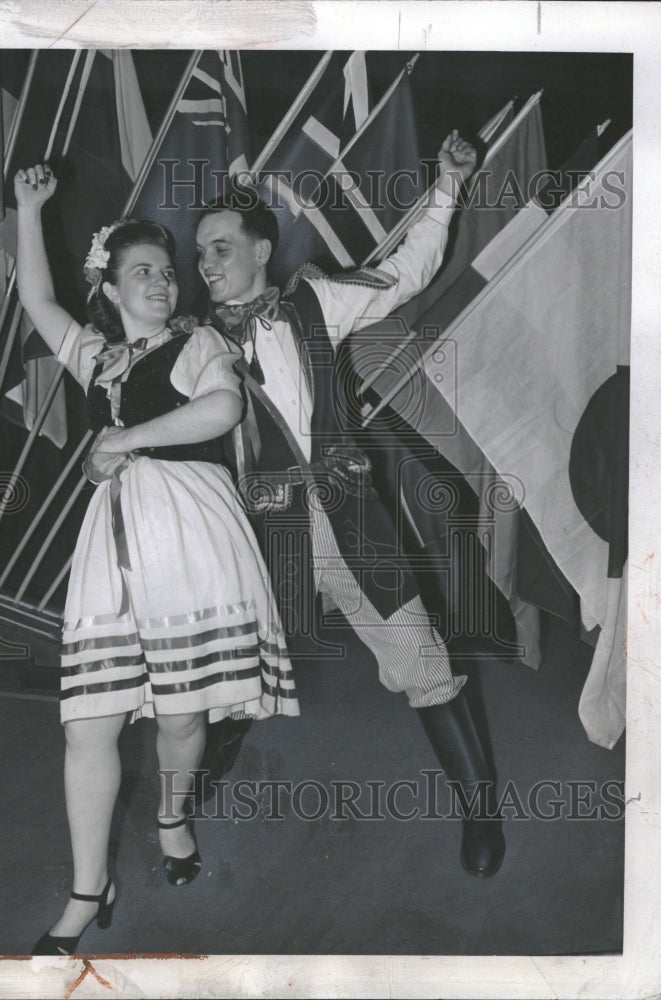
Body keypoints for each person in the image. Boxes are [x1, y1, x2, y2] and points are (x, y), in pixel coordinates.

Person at [195, 131, 505, 877]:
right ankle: (220, 742)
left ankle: (479, 812)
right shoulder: (193, 342)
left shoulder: (315, 301)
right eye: (200, 253)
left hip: (347, 517)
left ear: (261, 247)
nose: (207, 264)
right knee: (231, 659)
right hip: (257, 534)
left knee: (418, 655)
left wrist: (448, 185)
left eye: (220, 247)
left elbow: (407, 271)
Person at [14, 163, 298, 955]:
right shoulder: (100, 360)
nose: (162, 284)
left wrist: (123, 440)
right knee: (88, 722)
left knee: (180, 717)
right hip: (115, 544)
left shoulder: (200, 340)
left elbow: (221, 406)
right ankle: (85, 888)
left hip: (193, 537)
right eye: (141, 273)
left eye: (166, 273)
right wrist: (28, 210)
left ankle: (172, 816)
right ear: (107, 289)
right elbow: (38, 302)